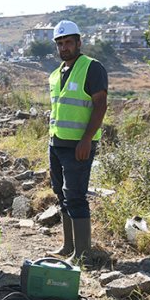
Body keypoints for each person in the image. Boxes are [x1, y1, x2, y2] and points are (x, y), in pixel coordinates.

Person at [47, 20, 108, 262]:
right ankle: (67, 246)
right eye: (60, 43)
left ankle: (83, 253)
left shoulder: (92, 68)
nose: (64, 47)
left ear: (78, 42)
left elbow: (100, 106)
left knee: (75, 195)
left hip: (78, 145)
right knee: (61, 194)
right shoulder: (55, 74)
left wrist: (86, 140)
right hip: (57, 143)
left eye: (68, 42)